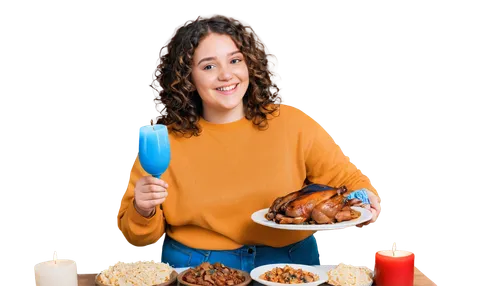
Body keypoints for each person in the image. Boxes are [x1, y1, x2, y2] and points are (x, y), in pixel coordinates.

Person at [114, 13, 383, 273]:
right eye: (209, 66)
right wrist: (143, 208)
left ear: (250, 65)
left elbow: (347, 180)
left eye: (235, 61)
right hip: (196, 264)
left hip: (290, 262)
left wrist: (366, 199)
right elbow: (137, 238)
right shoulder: (163, 142)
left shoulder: (293, 123)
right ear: (187, 78)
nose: (226, 75)